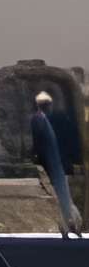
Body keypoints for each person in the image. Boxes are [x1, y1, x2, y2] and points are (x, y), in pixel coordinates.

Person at [32, 91, 84, 234]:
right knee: (61, 195)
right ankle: (69, 224)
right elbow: (39, 143)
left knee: (64, 194)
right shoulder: (39, 119)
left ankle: (71, 224)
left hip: (60, 162)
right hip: (52, 163)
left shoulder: (55, 118)